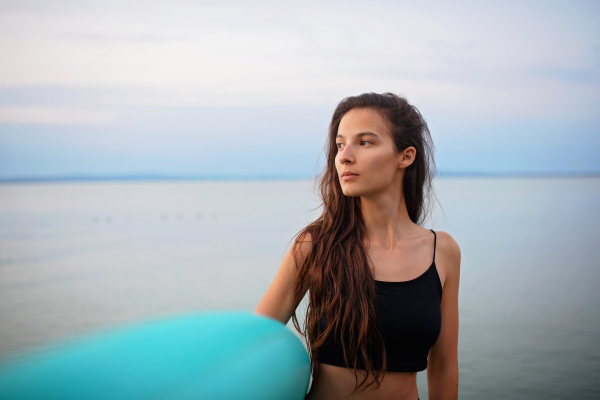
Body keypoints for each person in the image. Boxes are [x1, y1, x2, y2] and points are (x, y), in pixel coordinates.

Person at [254, 92, 460, 400]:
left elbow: (443, 366)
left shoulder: (442, 251)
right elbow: (251, 341)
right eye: (340, 144)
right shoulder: (315, 245)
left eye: (364, 142)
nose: (344, 156)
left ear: (405, 156)